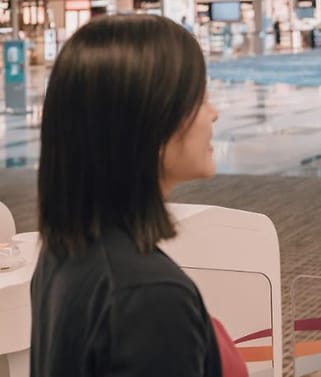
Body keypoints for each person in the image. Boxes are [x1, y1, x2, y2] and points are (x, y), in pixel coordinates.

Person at [31, 15, 246, 377]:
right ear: (150, 119)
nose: (214, 113)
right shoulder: (148, 296)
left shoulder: (67, 249)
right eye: (200, 98)